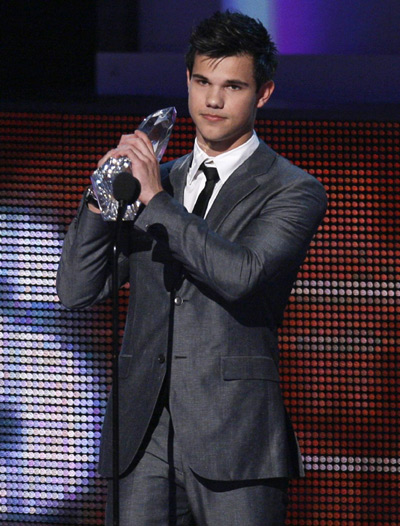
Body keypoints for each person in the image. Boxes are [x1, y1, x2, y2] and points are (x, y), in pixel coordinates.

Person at [57, 10, 327, 526]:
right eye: (202, 82)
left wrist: (156, 202)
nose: (213, 100)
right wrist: (100, 198)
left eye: (232, 86)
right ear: (187, 81)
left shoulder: (293, 190)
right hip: (142, 434)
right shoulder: (157, 180)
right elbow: (75, 289)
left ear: (263, 93)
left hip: (235, 438)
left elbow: (241, 274)